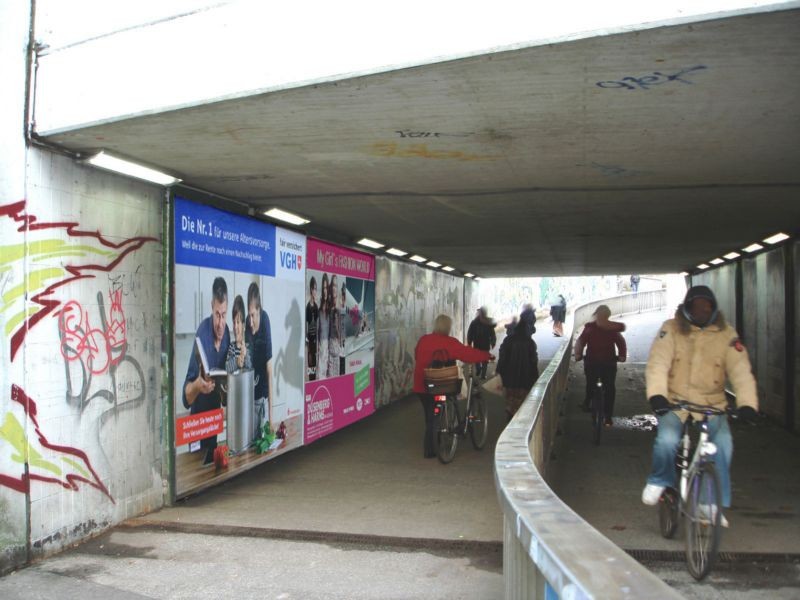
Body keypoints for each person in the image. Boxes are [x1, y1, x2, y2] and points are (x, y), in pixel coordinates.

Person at [641, 285, 759, 526]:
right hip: (676, 402)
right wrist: (657, 396)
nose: (703, 310)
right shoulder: (671, 330)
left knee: (723, 445)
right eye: (697, 306)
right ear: (687, 308)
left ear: (714, 308)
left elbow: (741, 372)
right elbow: (658, 364)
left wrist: (747, 404)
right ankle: (660, 480)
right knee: (667, 440)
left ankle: (709, 503)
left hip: (711, 404)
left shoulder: (727, 335)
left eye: (707, 306)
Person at [413, 314, 494, 458]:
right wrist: (486, 356)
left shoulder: (424, 340)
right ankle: (432, 448)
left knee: (430, 416)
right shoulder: (450, 342)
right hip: (441, 384)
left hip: (422, 384)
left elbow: (416, 355)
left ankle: (432, 444)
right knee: (435, 415)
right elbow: (467, 354)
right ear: (448, 327)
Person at [183, 276, 230, 465]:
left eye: (224, 315)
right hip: (198, 424)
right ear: (212, 306)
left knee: (213, 473)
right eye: (217, 314)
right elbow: (185, 399)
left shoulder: (227, 335)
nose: (220, 323)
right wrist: (197, 386)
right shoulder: (201, 335)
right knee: (195, 473)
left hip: (214, 422)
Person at [574, 305, 627, 426]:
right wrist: (621, 356)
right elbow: (621, 342)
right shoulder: (612, 328)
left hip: (592, 362)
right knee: (610, 388)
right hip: (609, 363)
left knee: (591, 384)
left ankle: (587, 402)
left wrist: (578, 355)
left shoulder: (591, 328)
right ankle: (608, 417)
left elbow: (580, 342)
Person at [496, 310, 540, 420]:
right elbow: (533, 362)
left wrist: (499, 371)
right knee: (522, 401)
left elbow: (502, 358)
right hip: (525, 379)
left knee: (510, 399)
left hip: (509, 378)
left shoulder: (508, 341)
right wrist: (535, 377)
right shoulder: (530, 343)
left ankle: (510, 415)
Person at [246, 282, 273, 440]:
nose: (250, 321)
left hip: (262, 398)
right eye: (249, 315)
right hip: (248, 398)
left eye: (253, 315)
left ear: (259, 310)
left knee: (262, 443)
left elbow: (270, 371)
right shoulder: (247, 327)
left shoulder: (265, 321)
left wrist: (271, 417)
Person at [467, 306, 496, 380]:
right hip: (485, 344)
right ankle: (482, 374)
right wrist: (493, 342)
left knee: (478, 358)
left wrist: (469, 342)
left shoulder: (474, 322)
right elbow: (492, 334)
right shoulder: (488, 322)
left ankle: (479, 369)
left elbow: (470, 333)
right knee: (484, 359)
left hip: (477, 343)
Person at [226, 294, 252, 373]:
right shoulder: (231, 348)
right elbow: (226, 368)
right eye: (234, 322)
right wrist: (237, 361)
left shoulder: (248, 347)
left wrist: (245, 355)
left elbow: (250, 368)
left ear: (243, 325)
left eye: (238, 322)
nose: (235, 326)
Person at [328, 274, 343, 378]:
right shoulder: (329, 306)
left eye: (336, 286)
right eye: (333, 285)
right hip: (328, 352)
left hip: (336, 352)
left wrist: (336, 323)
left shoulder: (339, 308)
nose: (334, 288)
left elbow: (340, 334)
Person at [317, 273, 330, 379]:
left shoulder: (331, 308)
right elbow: (318, 329)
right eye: (323, 287)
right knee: (320, 376)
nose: (325, 290)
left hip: (329, 349)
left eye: (327, 287)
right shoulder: (320, 308)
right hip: (321, 346)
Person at [305, 276, 319, 381]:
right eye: (313, 288)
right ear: (310, 289)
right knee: (310, 361)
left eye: (316, 289)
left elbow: (318, 324)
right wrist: (307, 338)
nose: (315, 291)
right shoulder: (307, 307)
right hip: (309, 339)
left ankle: (313, 379)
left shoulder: (316, 307)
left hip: (315, 339)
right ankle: (311, 379)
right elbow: (306, 323)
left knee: (314, 360)